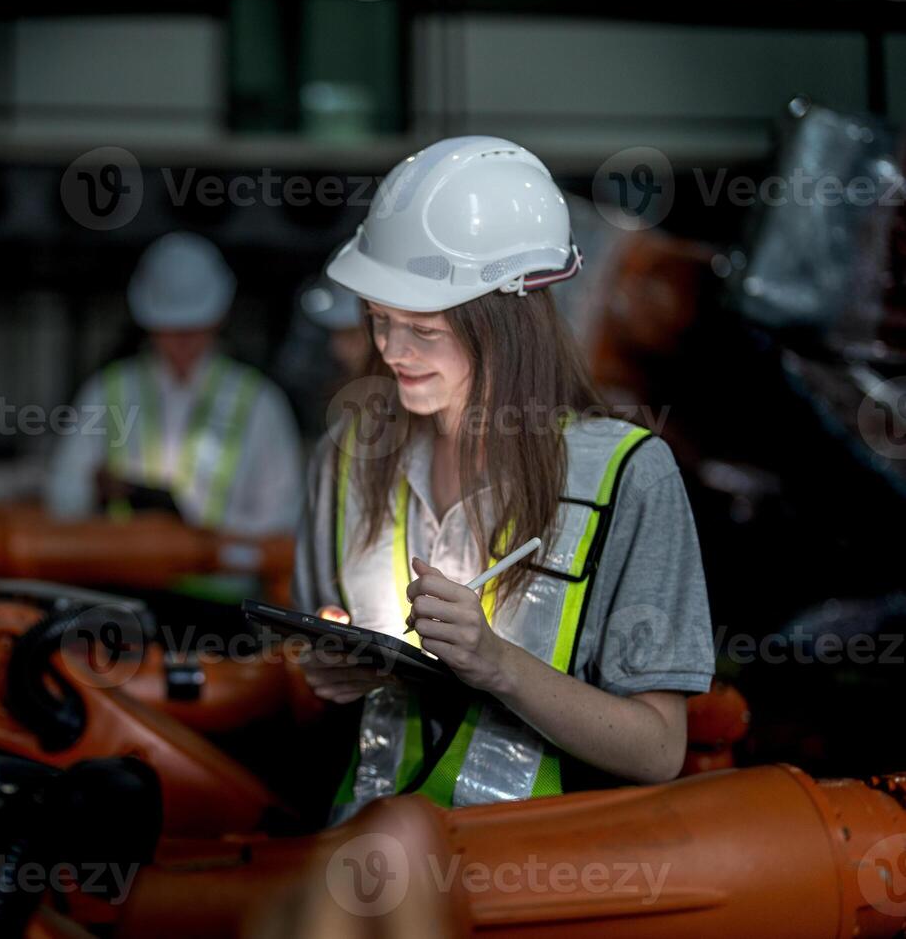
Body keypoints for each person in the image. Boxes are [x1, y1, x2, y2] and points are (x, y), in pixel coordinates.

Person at [293, 137, 715, 819]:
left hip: (536, 880)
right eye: (380, 322)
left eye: (423, 330)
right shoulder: (347, 457)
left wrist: (496, 665)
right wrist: (327, 668)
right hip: (360, 859)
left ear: (509, 320)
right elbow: (314, 677)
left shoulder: (627, 476)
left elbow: (659, 749)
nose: (393, 353)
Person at [47, 232, 303, 538]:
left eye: (194, 325)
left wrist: (202, 537)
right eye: (171, 326)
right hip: (120, 580)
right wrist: (96, 493)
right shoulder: (106, 392)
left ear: (218, 318)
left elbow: (283, 517)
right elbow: (63, 496)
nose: (182, 338)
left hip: (224, 584)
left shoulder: (260, 403)